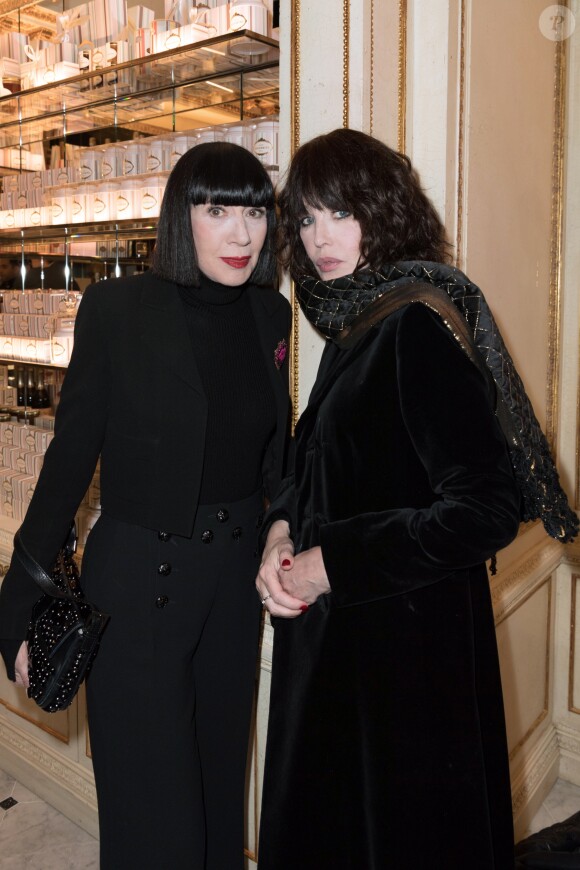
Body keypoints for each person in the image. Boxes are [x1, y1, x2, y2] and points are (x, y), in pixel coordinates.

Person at [0, 142, 291, 869]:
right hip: (137, 589)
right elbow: (70, 458)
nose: (240, 233)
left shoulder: (271, 317)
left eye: (254, 210)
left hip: (231, 593)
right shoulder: (117, 308)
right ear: (178, 216)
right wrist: (17, 605)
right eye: (216, 208)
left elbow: (273, 459)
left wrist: (284, 524)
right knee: (154, 819)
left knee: (220, 798)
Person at [255, 129, 523, 869]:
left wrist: (330, 564)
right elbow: (315, 463)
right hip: (346, 663)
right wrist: (279, 534)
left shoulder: (414, 326)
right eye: (305, 219)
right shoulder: (354, 323)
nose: (318, 238)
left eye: (339, 213)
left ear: (383, 211)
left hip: (405, 682)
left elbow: (487, 507)